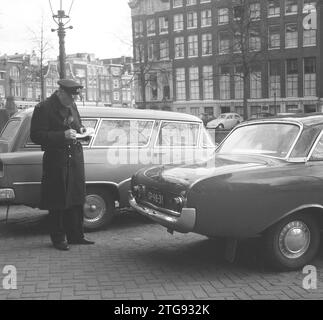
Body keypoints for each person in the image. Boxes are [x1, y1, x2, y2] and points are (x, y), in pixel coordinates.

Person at [30, 79, 95, 251]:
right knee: (57, 199)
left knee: (76, 196)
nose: (73, 101)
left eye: (75, 98)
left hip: (74, 157)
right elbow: (36, 135)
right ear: (61, 93)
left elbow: (77, 124)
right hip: (56, 158)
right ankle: (58, 238)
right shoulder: (43, 108)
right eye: (71, 97)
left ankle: (76, 235)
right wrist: (62, 135)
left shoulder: (71, 104)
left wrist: (82, 130)